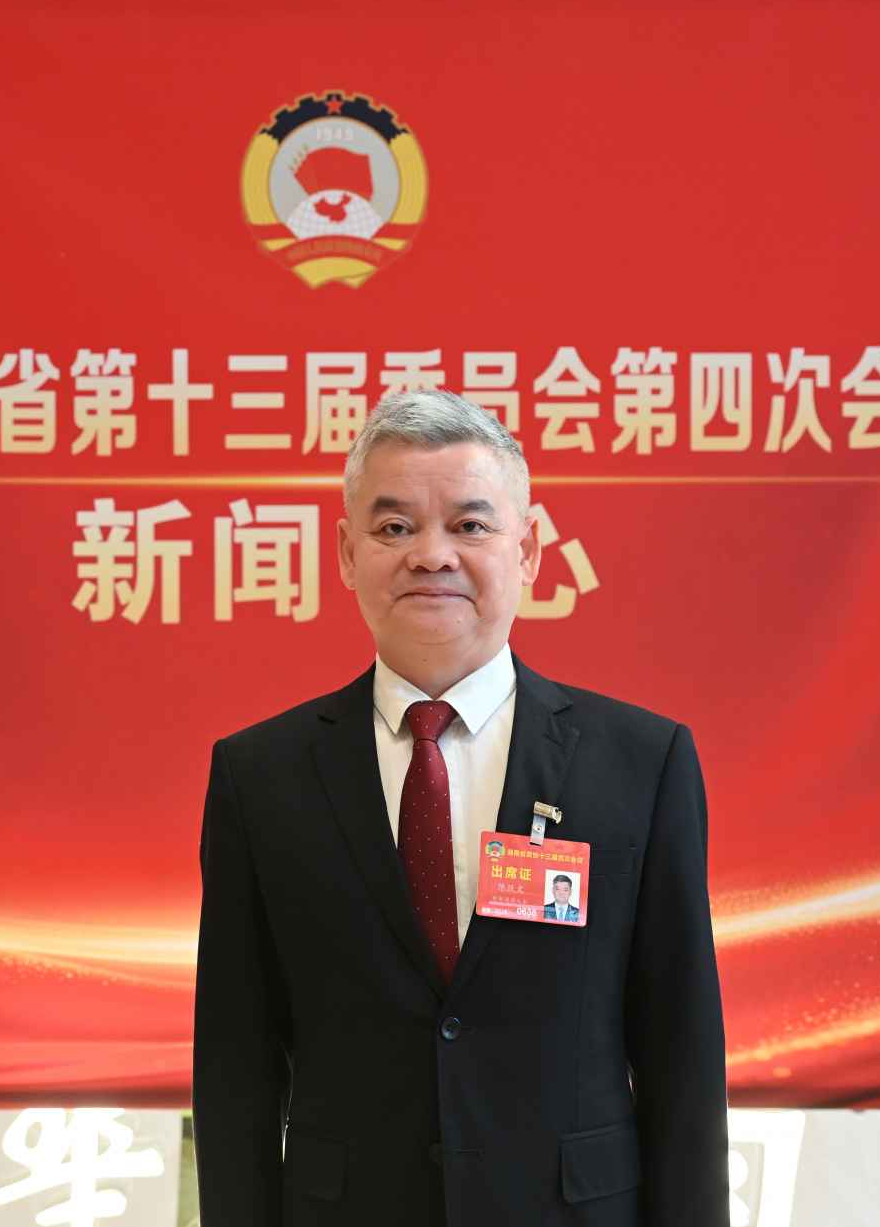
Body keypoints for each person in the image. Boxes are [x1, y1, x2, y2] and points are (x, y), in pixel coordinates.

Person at [193, 388, 728, 1227]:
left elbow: (681, 1058)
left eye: (470, 525)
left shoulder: (641, 763)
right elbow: (236, 1072)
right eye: (394, 527)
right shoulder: (260, 776)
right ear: (347, 553)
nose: (431, 555)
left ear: (529, 548)